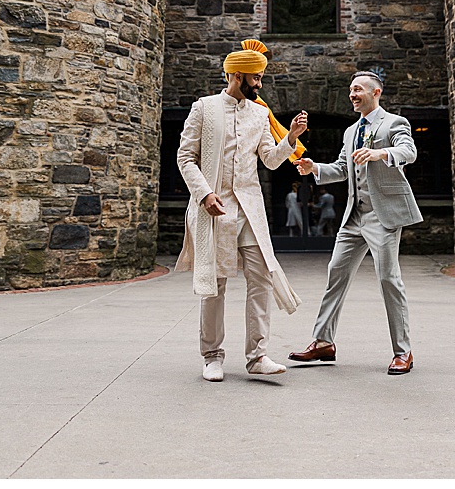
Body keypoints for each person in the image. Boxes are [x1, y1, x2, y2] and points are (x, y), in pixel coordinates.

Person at [174, 39, 307, 382]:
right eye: (256, 78)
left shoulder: (261, 113)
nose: (260, 84)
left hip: (249, 209)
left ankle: (258, 355)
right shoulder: (203, 108)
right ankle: (212, 356)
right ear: (235, 75)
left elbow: (270, 161)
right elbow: (185, 157)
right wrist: (204, 194)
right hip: (214, 208)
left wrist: (289, 139)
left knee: (260, 277)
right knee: (215, 283)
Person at [290, 72, 421, 375]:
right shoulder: (350, 132)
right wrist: (314, 168)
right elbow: (341, 168)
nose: (352, 94)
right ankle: (323, 341)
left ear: (376, 92)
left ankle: (403, 352)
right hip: (355, 215)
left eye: (358, 89)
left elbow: (408, 151)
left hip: (383, 216)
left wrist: (380, 153)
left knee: (389, 279)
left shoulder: (394, 123)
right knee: (336, 272)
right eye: (350, 90)